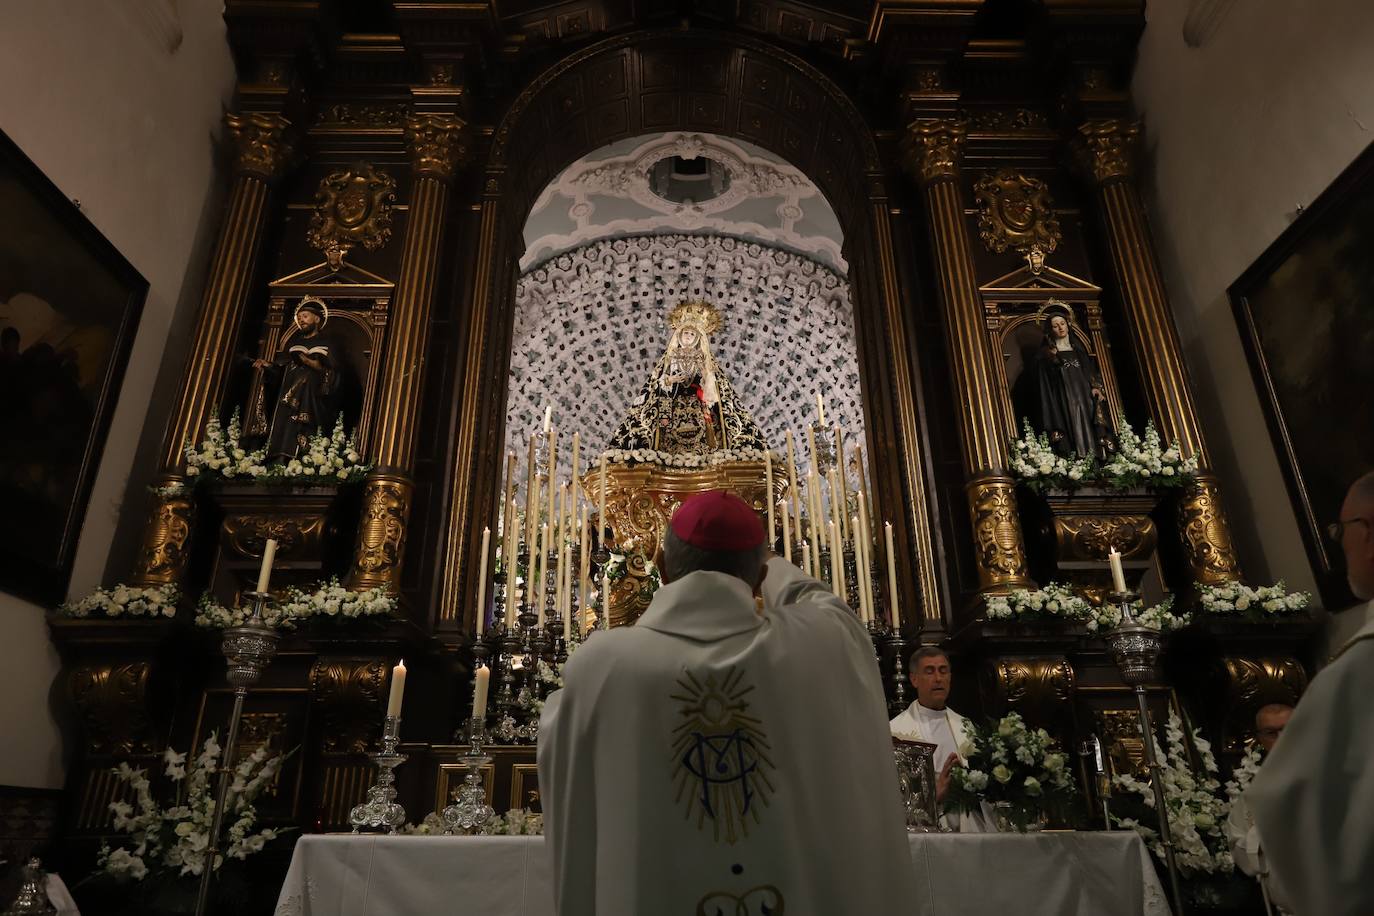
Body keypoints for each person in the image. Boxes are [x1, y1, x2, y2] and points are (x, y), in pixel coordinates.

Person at [538, 490, 915, 916]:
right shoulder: (815, 645)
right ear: (757, 580)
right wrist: (767, 562)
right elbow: (828, 607)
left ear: (661, 567)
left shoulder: (600, 667)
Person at [1249, 471, 1374, 916]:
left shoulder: (1361, 666)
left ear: (1370, 533)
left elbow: (1289, 804)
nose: (1341, 545)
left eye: (1342, 531)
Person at [889, 647, 987, 832]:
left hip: (970, 825)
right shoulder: (895, 731)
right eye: (929, 671)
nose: (938, 678)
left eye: (943, 671)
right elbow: (888, 795)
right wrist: (933, 795)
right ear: (914, 679)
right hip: (924, 829)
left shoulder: (967, 727)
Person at [1224, 704, 1296, 914]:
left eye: (1289, 728)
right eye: (1271, 733)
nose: (1282, 738)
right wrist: (1262, 835)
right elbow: (1237, 842)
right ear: (1260, 739)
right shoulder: (1254, 793)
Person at [251, 297, 341, 462]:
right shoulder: (295, 343)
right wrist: (269, 366)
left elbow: (333, 373)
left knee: (307, 377)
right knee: (285, 426)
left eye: (305, 316)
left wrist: (309, 363)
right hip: (287, 397)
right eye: (299, 318)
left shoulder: (327, 343)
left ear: (317, 319)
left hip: (312, 398)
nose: (302, 320)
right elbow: (283, 368)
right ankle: (279, 458)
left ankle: (304, 459)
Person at [1032, 312, 1115, 460]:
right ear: (1050, 330)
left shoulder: (1079, 351)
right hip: (1064, 398)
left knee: (1090, 424)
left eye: (1062, 324)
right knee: (1071, 425)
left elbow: (1089, 373)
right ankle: (1075, 459)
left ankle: (1097, 459)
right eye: (1055, 326)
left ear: (1068, 326)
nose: (1060, 328)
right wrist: (1053, 359)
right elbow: (1046, 383)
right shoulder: (1046, 355)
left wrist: (1095, 387)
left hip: (1085, 397)